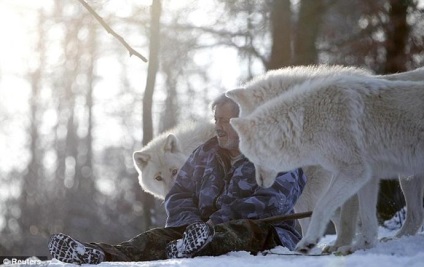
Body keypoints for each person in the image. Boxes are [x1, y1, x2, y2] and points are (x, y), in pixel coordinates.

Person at [48, 93, 307, 264]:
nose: (218, 127)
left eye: (226, 121)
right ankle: (98, 254)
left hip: (269, 233)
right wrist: (190, 225)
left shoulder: (277, 152)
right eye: (216, 119)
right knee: (156, 237)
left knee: (242, 231)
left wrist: (212, 224)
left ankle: (193, 244)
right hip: (198, 231)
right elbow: (179, 194)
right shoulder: (204, 154)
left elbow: (272, 202)